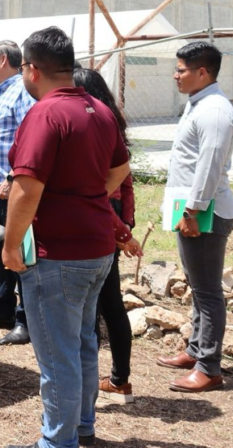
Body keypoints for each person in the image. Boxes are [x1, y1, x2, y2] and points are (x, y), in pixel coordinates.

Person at [2, 27, 131, 448]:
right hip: (97, 248)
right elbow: (120, 169)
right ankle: (82, 427)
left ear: (32, 70)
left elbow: (26, 189)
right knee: (82, 343)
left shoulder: (45, 114)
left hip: (58, 253)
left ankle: (58, 441)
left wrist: (10, 245)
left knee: (58, 356)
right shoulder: (99, 110)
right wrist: (88, 194)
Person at [156, 42, 233, 394]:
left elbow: (209, 166)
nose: (175, 75)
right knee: (198, 285)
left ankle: (209, 367)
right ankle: (195, 351)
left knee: (207, 291)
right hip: (192, 211)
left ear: (202, 72)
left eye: (181, 70)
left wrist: (192, 211)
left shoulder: (215, 111)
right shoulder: (200, 104)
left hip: (205, 213)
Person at [73, 68, 143, 404]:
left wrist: (122, 230)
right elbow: (126, 185)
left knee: (92, 306)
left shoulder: (90, 128)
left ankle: (91, 387)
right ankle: (119, 380)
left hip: (95, 218)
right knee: (109, 302)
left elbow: (98, 192)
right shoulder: (111, 124)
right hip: (108, 218)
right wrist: (125, 227)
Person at [0, 41, 36, 345]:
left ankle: (25, 320)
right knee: (1, 251)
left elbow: (30, 136)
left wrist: (13, 177)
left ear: (2, 60)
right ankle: (3, 309)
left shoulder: (22, 90)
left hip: (9, 187)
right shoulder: (2, 92)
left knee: (19, 251)